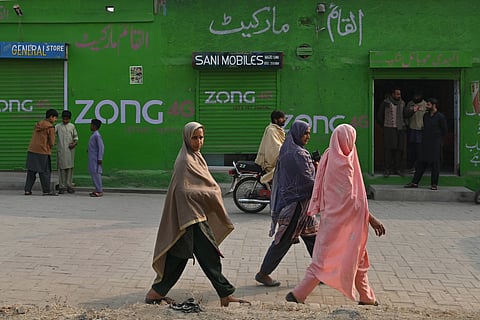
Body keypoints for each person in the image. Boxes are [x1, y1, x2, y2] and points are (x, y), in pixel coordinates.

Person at [145, 122, 249, 307]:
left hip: (194, 215)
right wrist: (211, 193)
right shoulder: (185, 160)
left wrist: (210, 190)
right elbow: (182, 190)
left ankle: (156, 293)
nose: (198, 141)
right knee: (209, 254)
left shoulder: (196, 157)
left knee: (179, 255)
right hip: (190, 216)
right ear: (187, 138)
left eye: (201, 137)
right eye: (194, 137)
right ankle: (225, 294)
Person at [286, 124, 386, 305]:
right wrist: (372, 219)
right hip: (348, 223)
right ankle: (298, 294)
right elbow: (354, 201)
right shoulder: (346, 166)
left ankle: (366, 297)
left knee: (345, 256)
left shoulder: (327, 156)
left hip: (331, 218)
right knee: (346, 256)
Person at [255, 120, 318, 287]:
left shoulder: (291, 149)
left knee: (313, 238)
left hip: (304, 206)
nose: (308, 137)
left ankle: (322, 271)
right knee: (283, 240)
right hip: (295, 205)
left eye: (309, 133)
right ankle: (263, 273)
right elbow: (306, 180)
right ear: (298, 133)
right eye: (305, 133)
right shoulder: (296, 154)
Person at [404, 98, 447, 190]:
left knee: (435, 164)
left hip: (435, 143)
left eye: (428, 105)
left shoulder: (440, 117)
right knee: (421, 162)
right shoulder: (426, 116)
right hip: (425, 142)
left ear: (434, 105)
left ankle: (434, 184)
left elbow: (444, 130)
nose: (426, 106)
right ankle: (415, 182)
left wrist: (439, 140)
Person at [24, 108, 59, 196]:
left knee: (31, 172)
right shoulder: (50, 127)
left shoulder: (38, 124)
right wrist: (49, 148)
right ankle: (46, 191)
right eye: (55, 118)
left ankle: (27, 190)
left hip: (32, 150)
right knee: (45, 172)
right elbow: (52, 142)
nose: (56, 120)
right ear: (51, 117)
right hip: (43, 152)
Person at [377, 87, 406, 177]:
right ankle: (387, 169)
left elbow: (405, 114)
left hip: (400, 128)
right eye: (397, 94)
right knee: (389, 149)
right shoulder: (386, 102)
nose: (399, 96)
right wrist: (384, 125)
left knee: (399, 149)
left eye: (399, 94)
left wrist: (412, 111)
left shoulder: (402, 103)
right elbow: (379, 115)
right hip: (389, 128)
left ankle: (397, 169)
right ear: (393, 94)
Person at [255, 110, 286, 184]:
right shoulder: (272, 131)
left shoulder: (277, 130)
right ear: (275, 120)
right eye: (282, 118)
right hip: (270, 163)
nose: (284, 120)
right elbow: (275, 148)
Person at [55, 110, 79, 194]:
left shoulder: (72, 126)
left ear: (69, 119)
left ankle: (69, 185)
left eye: (67, 119)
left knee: (69, 168)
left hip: (70, 151)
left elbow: (76, 138)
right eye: (64, 119)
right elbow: (52, 135)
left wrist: (74, 143)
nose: (65, 121)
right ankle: (62, 186)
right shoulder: (57, 126)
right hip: (61, 151)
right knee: (61, 169)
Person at [403, 92, 427, 172]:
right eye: (415, 95)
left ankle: (419, 167)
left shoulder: (425, 104)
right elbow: (405, 115)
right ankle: (411, 166)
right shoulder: (410, 104)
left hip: (421, 130)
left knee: (419, 149)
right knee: (411, 149)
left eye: (418, 95)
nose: (416, 97)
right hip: (412, 129)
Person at [88, 119, 104, 197]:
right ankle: (97, 188)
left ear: (94, 126)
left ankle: (99, 190)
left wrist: (100, 158)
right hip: (92, 157)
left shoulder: (97, 135)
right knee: (93, 173)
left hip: (96, 158)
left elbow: (101, 147)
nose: (90, 126)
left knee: (96, 173)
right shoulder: (93, 134)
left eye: (91, 125)